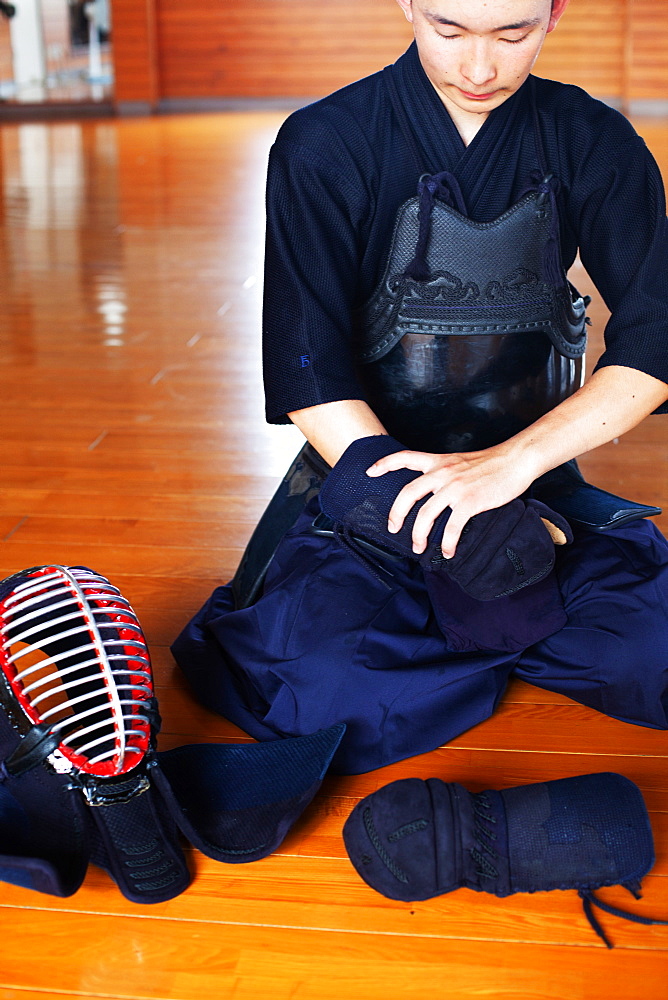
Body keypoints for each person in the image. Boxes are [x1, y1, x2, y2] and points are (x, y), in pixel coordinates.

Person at [172, 0, 668, 774]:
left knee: (659, 656)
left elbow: (656, 339)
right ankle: (505, 614)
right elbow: (309, 369)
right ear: (407, 2)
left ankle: (472, 620)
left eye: (513, 34)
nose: (479, 69)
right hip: (373, 477)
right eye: (448, 29)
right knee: (321, 697)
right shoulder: (325, 142)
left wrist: (509, 470)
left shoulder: (593, 140)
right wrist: (450, 523)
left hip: (532, 480)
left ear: (554, 11)